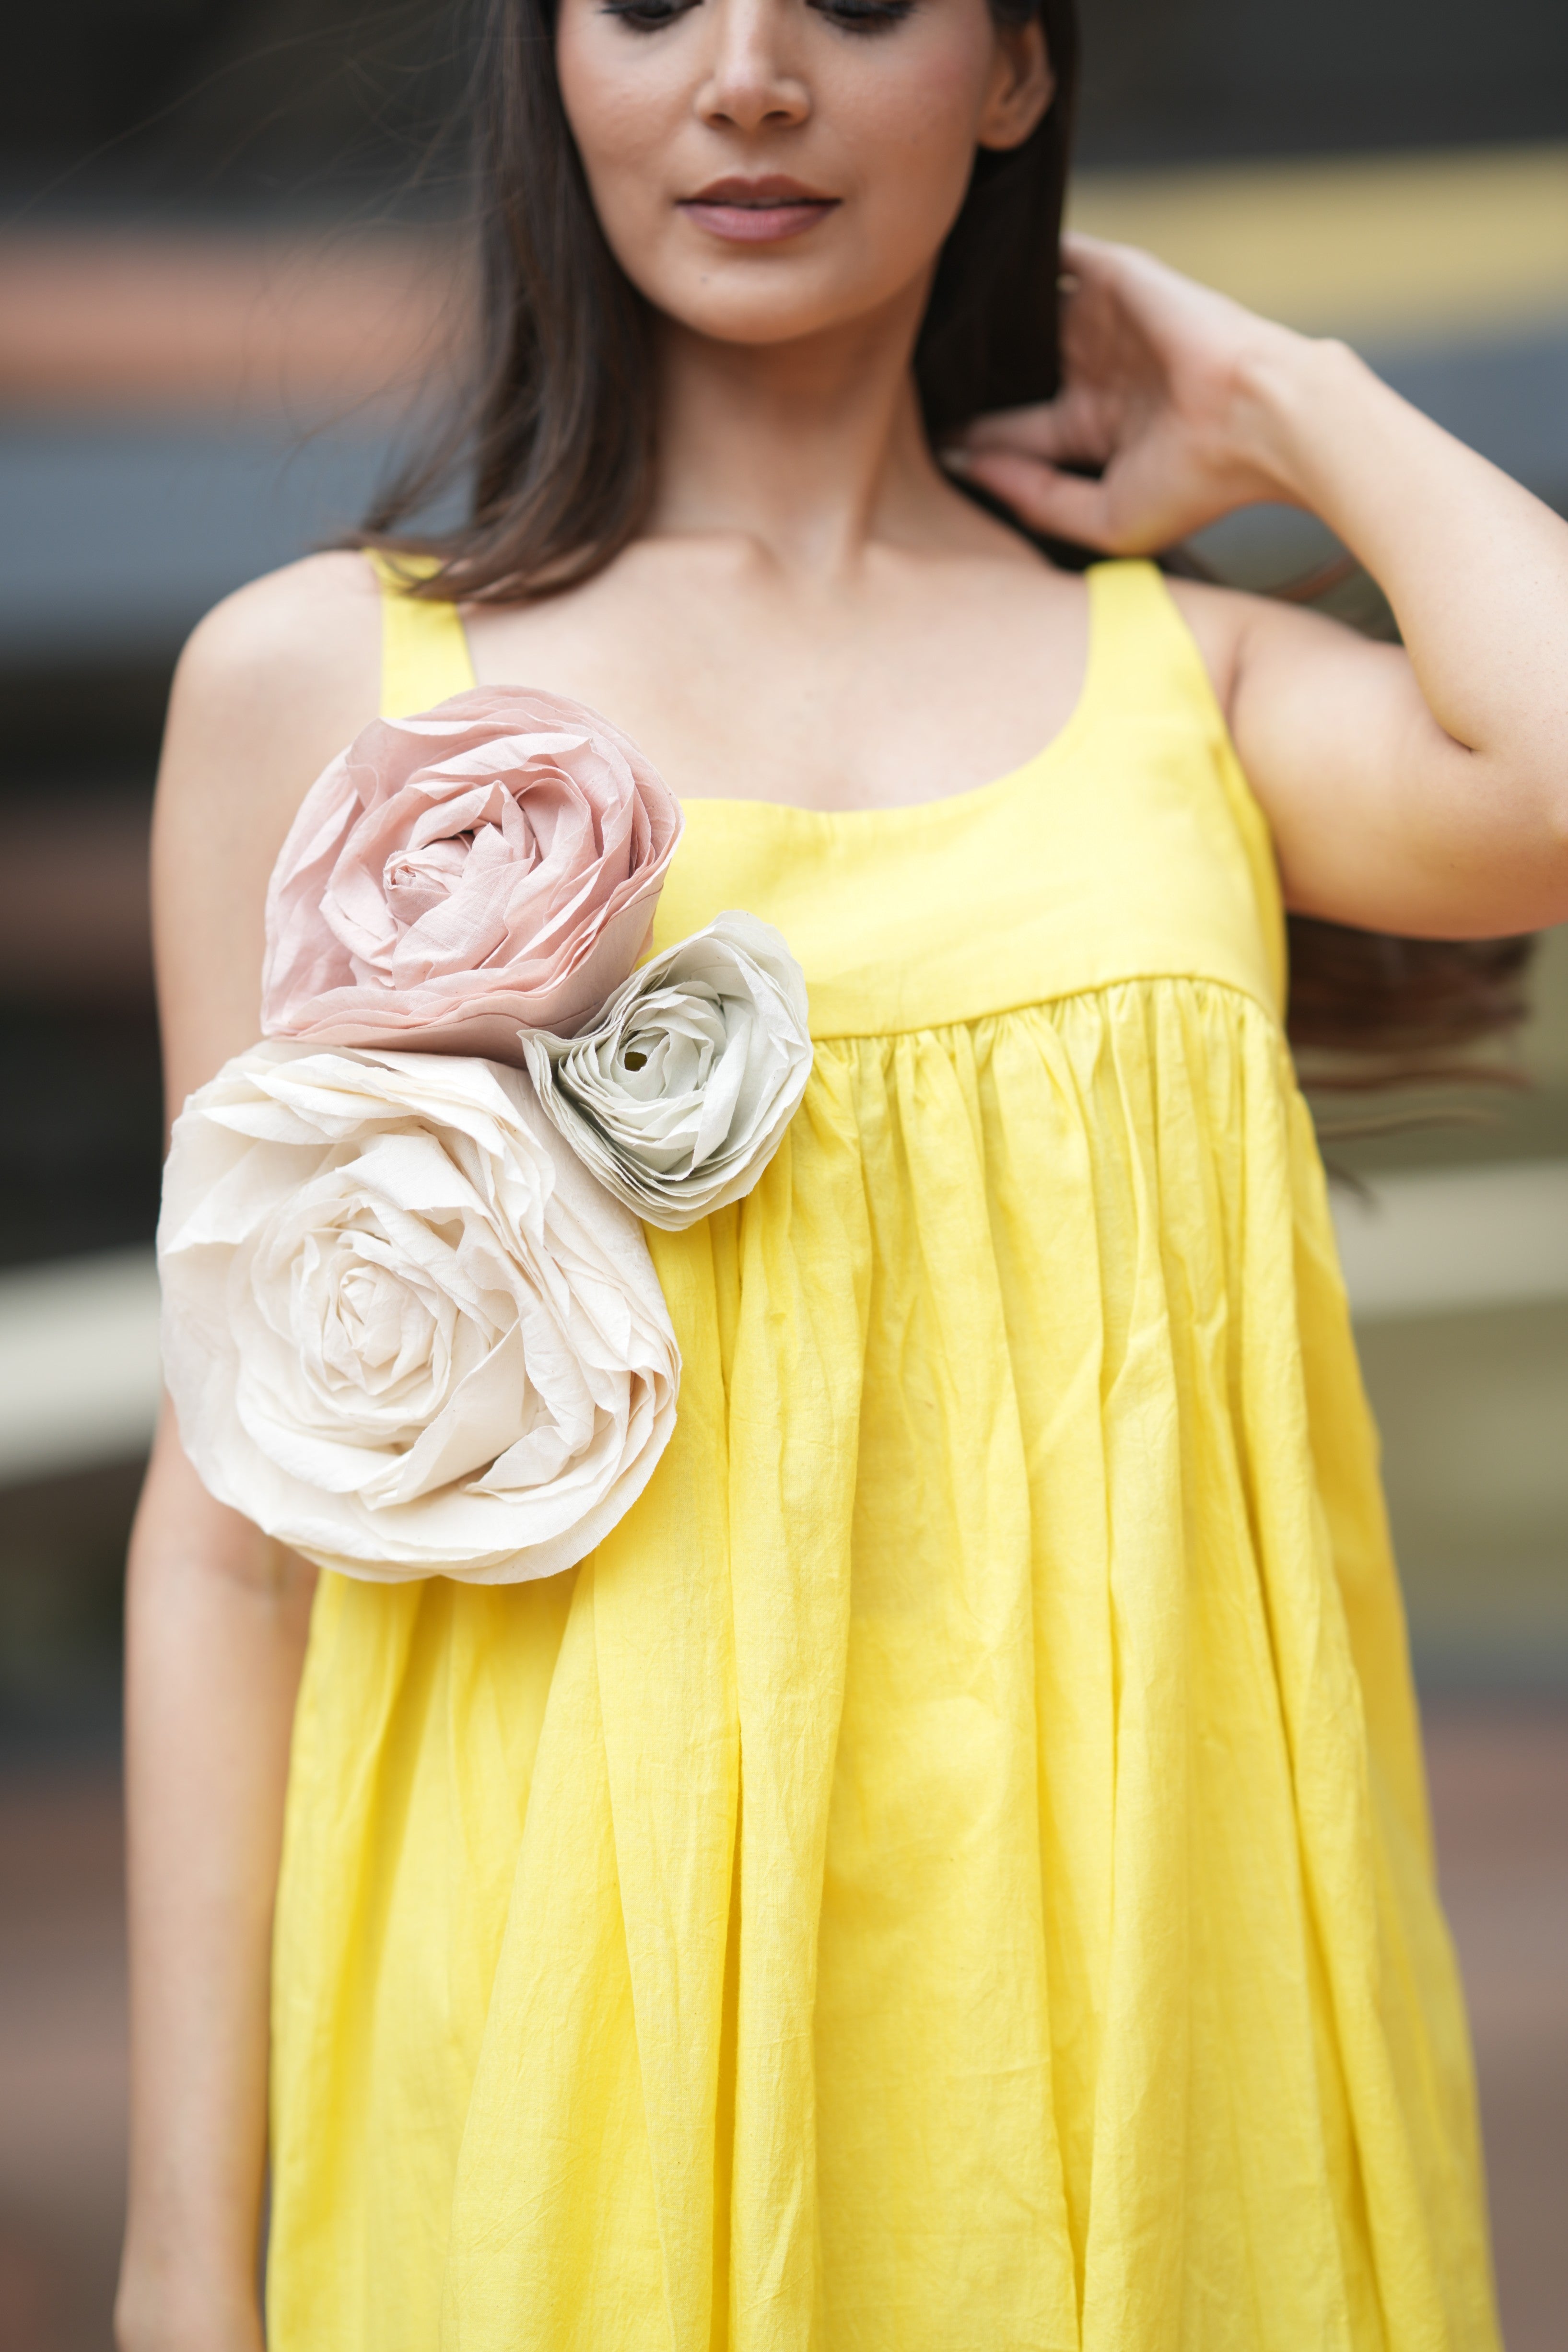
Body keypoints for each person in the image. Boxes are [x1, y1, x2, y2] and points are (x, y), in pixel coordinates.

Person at [116, 0, 1568, 2343]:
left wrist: (1286, 395)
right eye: (653, 3)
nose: (750, 75)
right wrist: (185, 2260)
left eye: (863, 5)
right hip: (553, 2041)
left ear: (1013, 71)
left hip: (1126, 2050)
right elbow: (232, 1550)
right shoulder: (323, 685)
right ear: (550, 61)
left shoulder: (1177, 694)